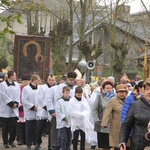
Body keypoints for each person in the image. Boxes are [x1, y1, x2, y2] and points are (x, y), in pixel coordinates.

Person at [46, 71, 77, 150]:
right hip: (60, 111)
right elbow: (57, 98)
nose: (71, 81)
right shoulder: (61, 86)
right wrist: (53, 111)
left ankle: (67, 146)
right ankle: (54, 145)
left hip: (69, 113)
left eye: (73, 80)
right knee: (56, 131)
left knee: (68, 133)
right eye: (70, 79)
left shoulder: (75, 87)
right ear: (67, 78)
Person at [119, 78, 150, 150]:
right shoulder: (136, 105)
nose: (149, 92)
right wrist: (122, 142)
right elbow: (126, 126)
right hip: (139, 145)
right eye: (147, 89)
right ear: (143, 90)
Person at [101, 84, 128, 150]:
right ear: (117, 93)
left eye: (123, 92)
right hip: (116, 126)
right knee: (117, 145)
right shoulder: (112, 101)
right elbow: (107, 113)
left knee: (127, 145)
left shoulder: (129, 100)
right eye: (120, 92)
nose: (121, 94)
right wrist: (104, 123)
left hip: (127, 126)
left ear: (126, 92)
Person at [34, 75, 56, 150]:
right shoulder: (42, 88)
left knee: (51, 130)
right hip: (43, 111)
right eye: (50, 80)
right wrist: (47, 107)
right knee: (39, 129)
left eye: (52, 80)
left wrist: (51, 108)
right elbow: (40, 99)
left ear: (54, 81)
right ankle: (37, 143)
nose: (51, 81)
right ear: (47, 80)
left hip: (52, 112)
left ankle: (50, 145)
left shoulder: (55, 89)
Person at [92, 81, 115, 150]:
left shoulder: (116, 97)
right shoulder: (99, 97)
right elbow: (94, 109)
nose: (109, 89)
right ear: (103, 89)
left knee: (112, 145)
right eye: (107, 88)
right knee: (103, 145)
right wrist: (97, 120)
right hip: (102, 124)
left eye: (110, 88)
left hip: (113, 125)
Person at [0, 70, 20, 148]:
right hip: (5, 109)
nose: (15, 76)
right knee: (5, 127)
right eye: (15, 75)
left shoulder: (17, 84)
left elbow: (18, 95)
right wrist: (11, 103)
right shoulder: (3, 85)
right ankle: (5, 142)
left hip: (14, 109)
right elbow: (3, 95)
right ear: (11, 76)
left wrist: (16, 103)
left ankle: (11, 141)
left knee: (14, 126)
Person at [22, 74, 41, 149]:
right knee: (29, 128)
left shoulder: (39, 89)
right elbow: (24, 100)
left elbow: (41, 98)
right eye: (38, 80)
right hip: (30, 112)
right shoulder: (26, 89)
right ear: (34, 80)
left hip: (38, 111)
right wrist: (33, 107)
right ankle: (28, 143)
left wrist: (39, 106)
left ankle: (37, 142)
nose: (39, 81)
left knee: (37, 128)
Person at [16, 73, 30, 145]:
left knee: (26, 125)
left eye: (27, 81)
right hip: (20, 109)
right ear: (22, 82)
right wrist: (20, 105)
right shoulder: (19, 89)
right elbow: (17, 97)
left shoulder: (30, 89)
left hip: (28, 109)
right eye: (24, 81)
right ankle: (20, 139)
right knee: (19, 126)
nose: (26, 83)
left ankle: (25, 139)